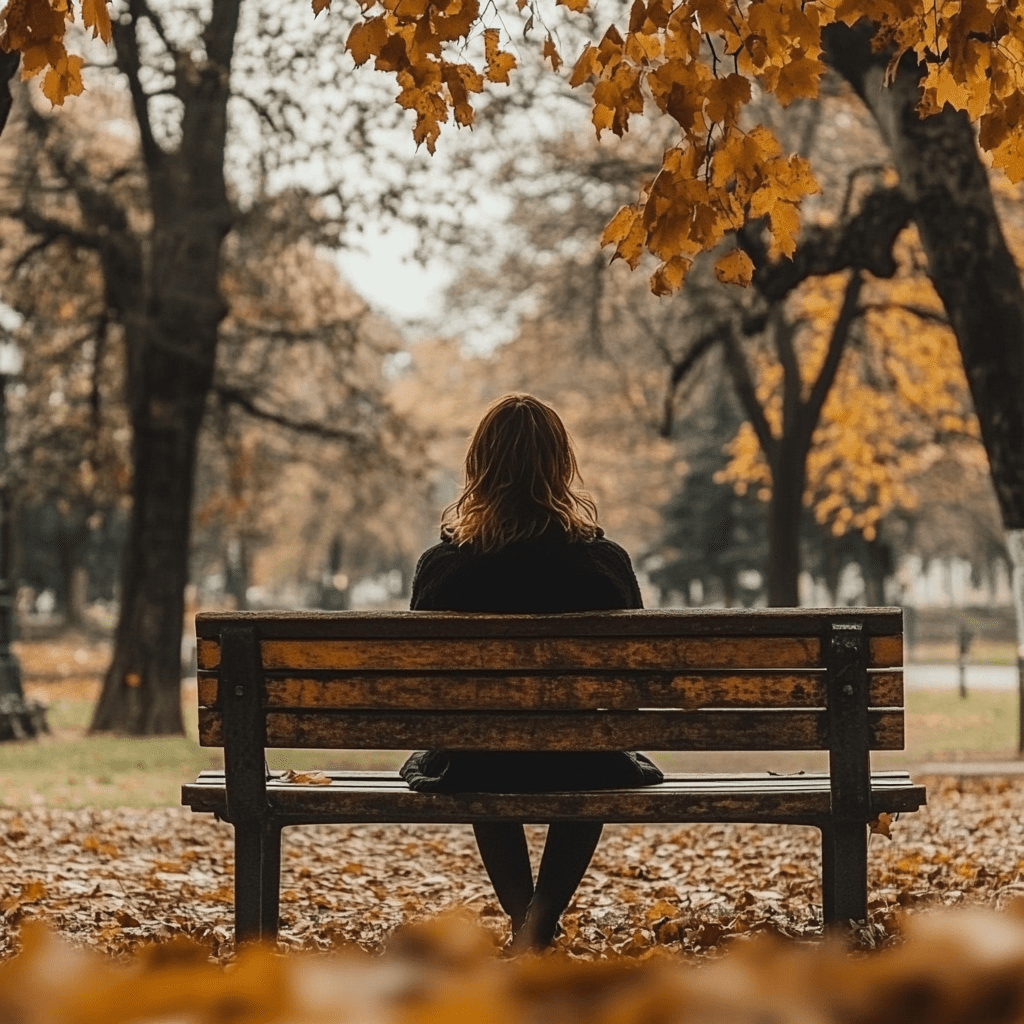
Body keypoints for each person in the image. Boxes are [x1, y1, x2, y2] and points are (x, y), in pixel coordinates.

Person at [400, 393, 663, 953]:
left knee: (474, 750)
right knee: (596, 759)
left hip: (477, 760)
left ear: (479, 467)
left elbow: (426, 687)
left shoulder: (445, 568)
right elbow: (634, 682)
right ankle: (540, 920)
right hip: (585, 757)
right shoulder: (602, 564)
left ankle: (527, 922)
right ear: (561, 466)